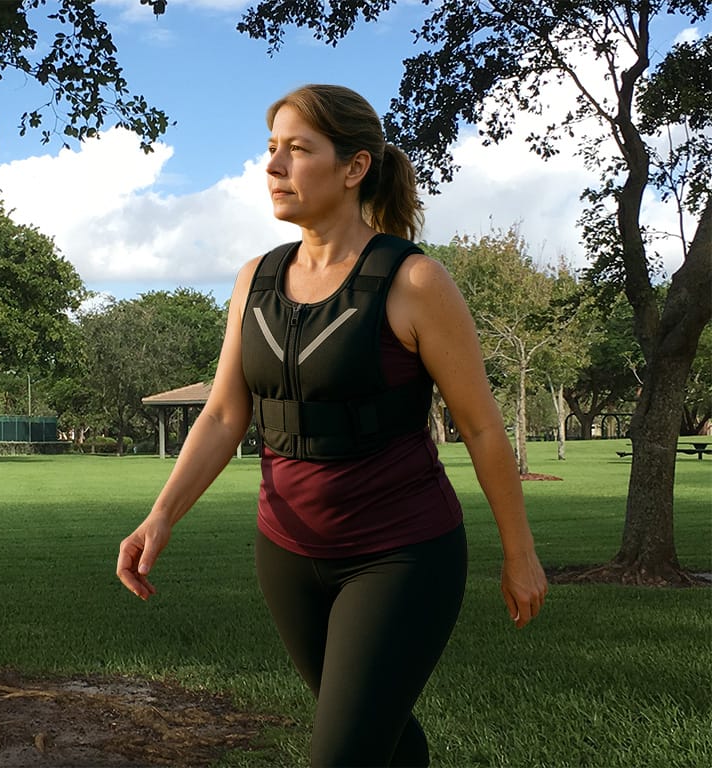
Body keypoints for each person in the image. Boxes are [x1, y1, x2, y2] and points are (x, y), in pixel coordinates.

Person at [117, 84, 548, 768]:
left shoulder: (412, 281)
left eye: (298, 149)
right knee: (382, 739)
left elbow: (482, 428)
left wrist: (519, 553)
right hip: (286, 555)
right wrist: (160, 516)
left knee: (343, 753)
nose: (274, 166)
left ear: (355, 167)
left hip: (401, 555)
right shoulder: (254, 281)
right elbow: (225, 413)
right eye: (271, 149)